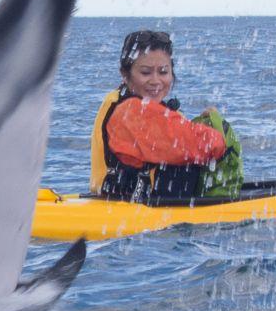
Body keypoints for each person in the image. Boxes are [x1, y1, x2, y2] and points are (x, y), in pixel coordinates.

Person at [89, 29, 242, 202]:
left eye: (163, 72)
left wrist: (198, 125)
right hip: (131, 211)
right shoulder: (131, 111)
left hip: (122, 203)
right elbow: (206, 145)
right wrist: (218, 127)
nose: (155, 81)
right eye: (145, 72)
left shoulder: (123, 101)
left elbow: (175, 136)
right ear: (125, 74)